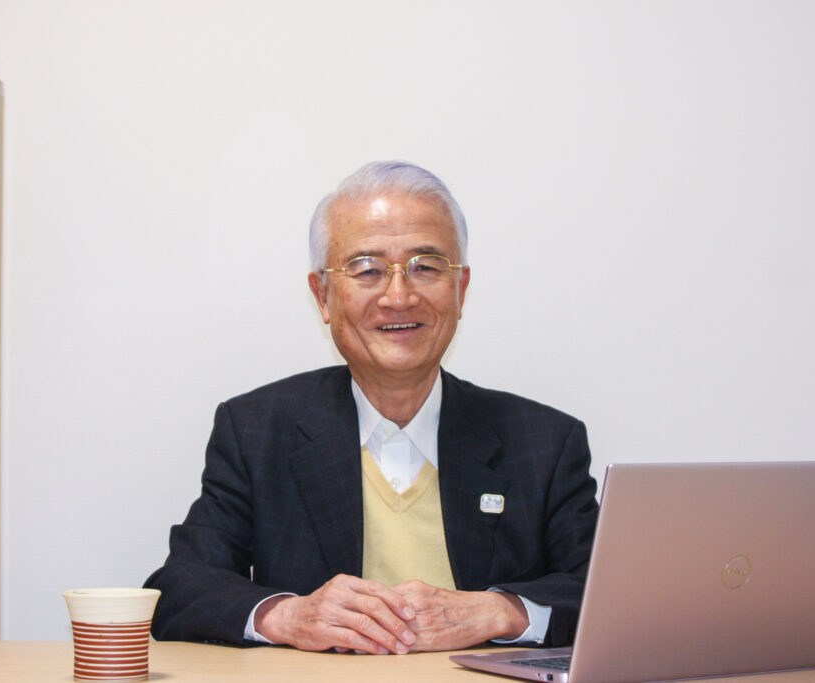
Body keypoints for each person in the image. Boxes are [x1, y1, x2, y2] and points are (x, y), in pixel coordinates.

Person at [145, 161, 599, 654]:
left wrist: (502, 611)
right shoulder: (257, 430)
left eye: (426, 267)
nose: (398, 297)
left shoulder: (543, 441)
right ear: (322, 295)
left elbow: (608, 594)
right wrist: (289, 616)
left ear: (461, 289)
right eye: (367, 270)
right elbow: (180, 587)